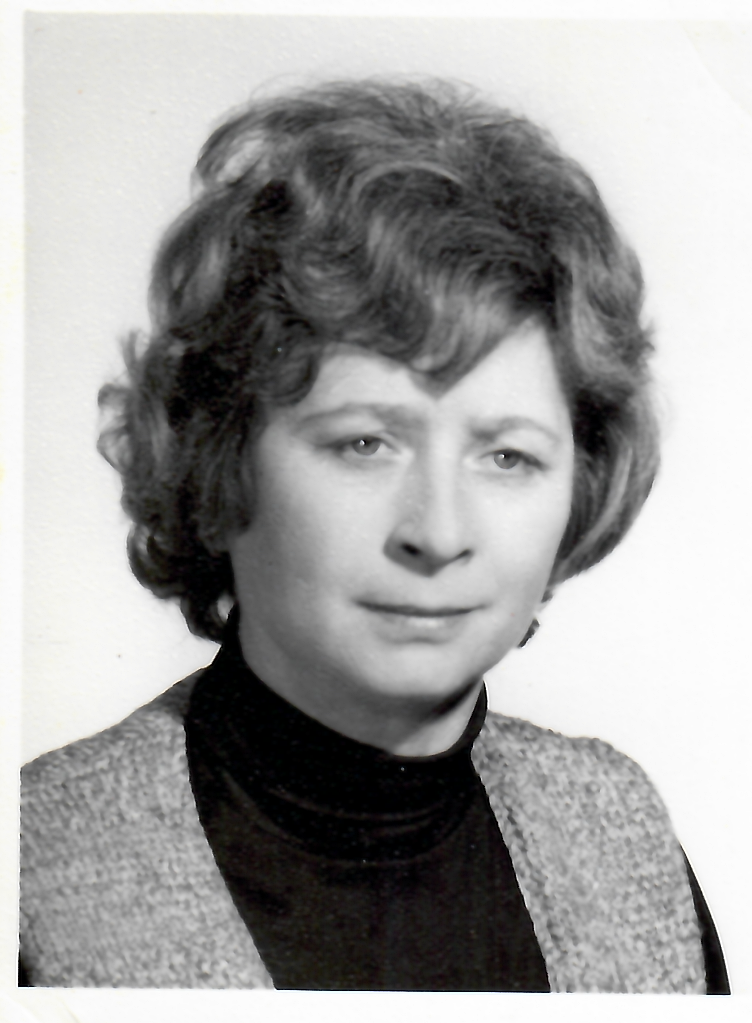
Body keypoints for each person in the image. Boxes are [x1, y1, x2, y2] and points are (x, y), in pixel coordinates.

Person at [19, 78, 729, 992]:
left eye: (507, 456)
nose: (440, 532)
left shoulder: (622, 837)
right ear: (219, 461)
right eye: (364, 443)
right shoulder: (35, 870)